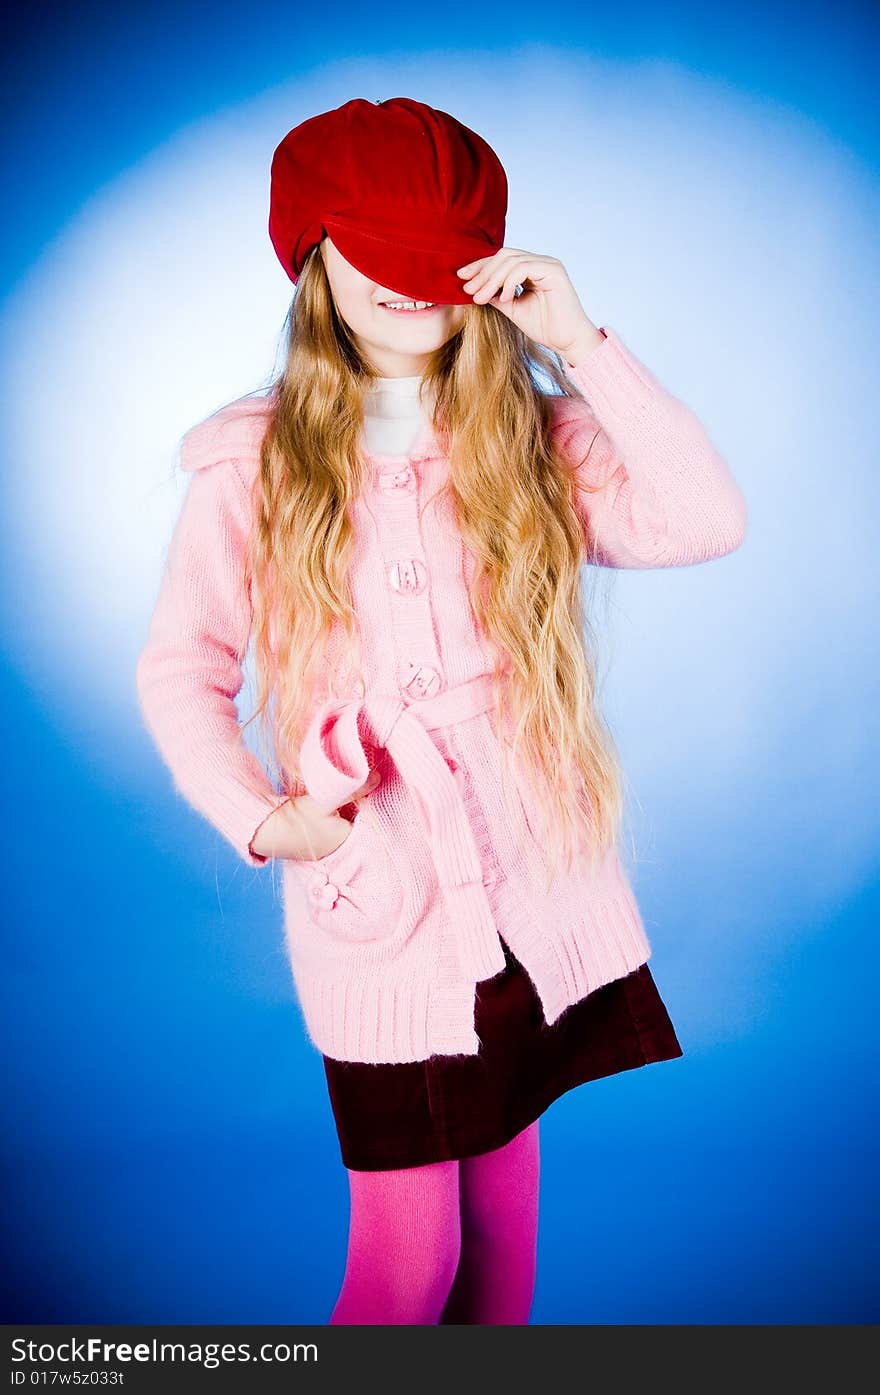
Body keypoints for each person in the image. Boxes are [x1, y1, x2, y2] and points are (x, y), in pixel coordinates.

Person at [135, 96, 748, 1325]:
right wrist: (269, 820)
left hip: (530, 887)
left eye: (438, 266)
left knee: (502, 1251)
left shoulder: (525, 438)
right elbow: (180, 668)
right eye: (382, 261)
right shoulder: (249, 465)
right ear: (314, 257)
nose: (411, 295)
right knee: (407, 1266)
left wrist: (583, 341)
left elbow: (702, 518)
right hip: (387, 902)